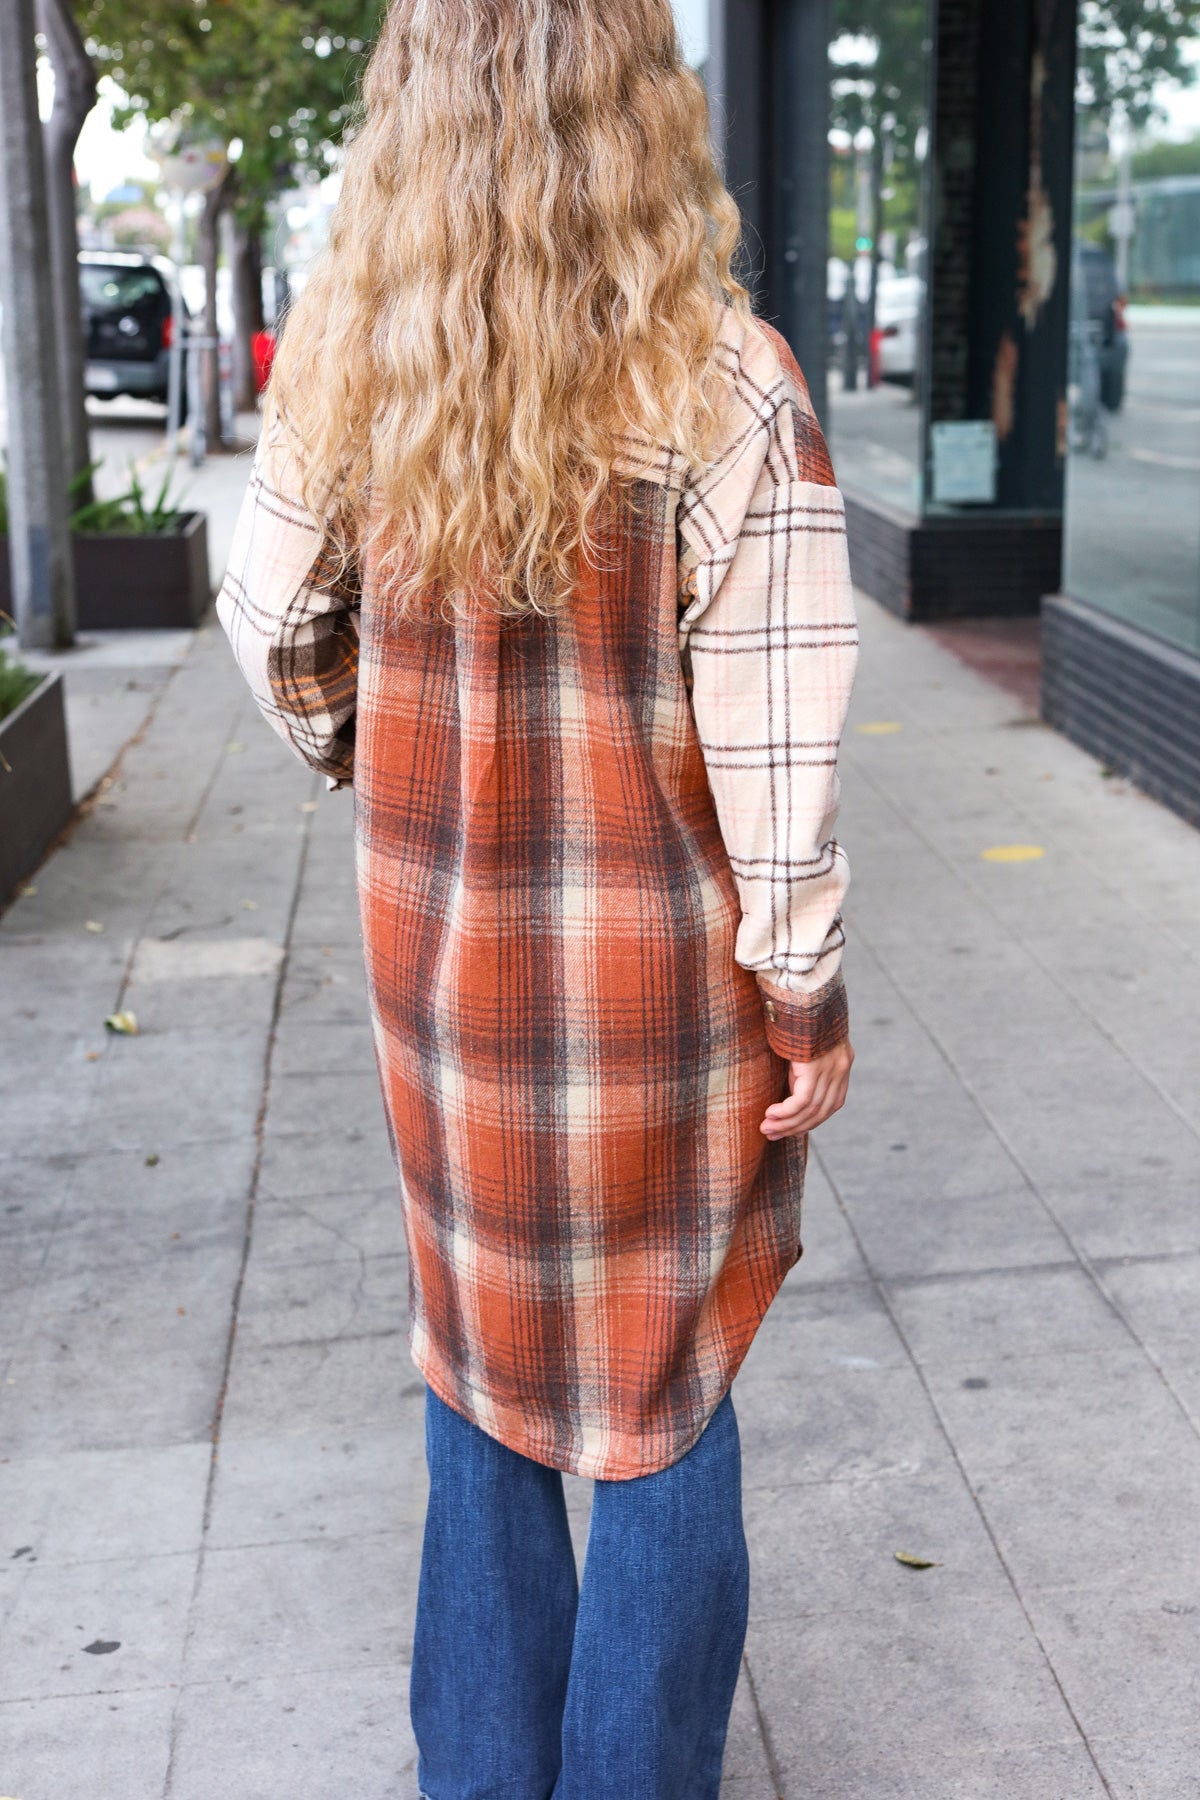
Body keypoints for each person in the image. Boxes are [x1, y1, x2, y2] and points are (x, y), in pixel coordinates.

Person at [217, 1, 858, 1791]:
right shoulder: (729, 385)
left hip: (441, 986)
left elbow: (273, 634)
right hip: (664, 1005)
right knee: (666, 1384)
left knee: (476, 1354)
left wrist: (380, 747)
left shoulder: (357, 364)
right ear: (643, 102)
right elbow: (781, 761)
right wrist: (803, 990)